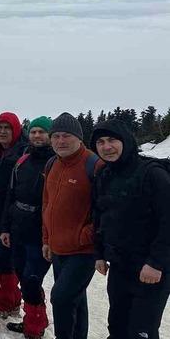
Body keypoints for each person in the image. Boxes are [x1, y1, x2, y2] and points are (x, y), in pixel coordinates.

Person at [91, 120, 170, 339]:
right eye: (100, 142)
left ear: (125, 140)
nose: (106, 147)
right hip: (120, 266)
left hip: (151, 270)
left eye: (112, 140)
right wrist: (99, 253)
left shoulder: (153, 174)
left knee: (141, 331)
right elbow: (99, 216)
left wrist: (156, 263)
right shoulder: (104, 175)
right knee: (116, 326)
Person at [42, 112, 103, 339]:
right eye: (55, 136)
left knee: (61, 297)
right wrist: (46, 239)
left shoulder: (94, 165)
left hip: (83, 250)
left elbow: (105, 210)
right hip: (58, 248)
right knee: (76, 300)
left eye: (66, 136)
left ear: (79, 138)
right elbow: (47, 204)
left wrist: (84, 236)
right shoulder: (52, 164)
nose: (60, 141)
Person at [0, 116, 55, 339]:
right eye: (33, 132)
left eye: (42, 132)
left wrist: (49, 237)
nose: (37, 136)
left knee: (32, 279)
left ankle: (35, 328)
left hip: (39, 231)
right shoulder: (22, 161)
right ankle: (33, 319)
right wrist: (5, 227)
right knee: (23, 275)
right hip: (18, 228)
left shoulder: (55, 163)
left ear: (50, 136)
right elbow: (10, 196)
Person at [0, 112, 28, 313]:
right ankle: (8, 299)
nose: (2, 132)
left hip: (14, 214)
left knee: (7, 258)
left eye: (7, 128)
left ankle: (7, 302)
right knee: (1, 256)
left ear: (16, 130)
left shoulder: (23, 152)